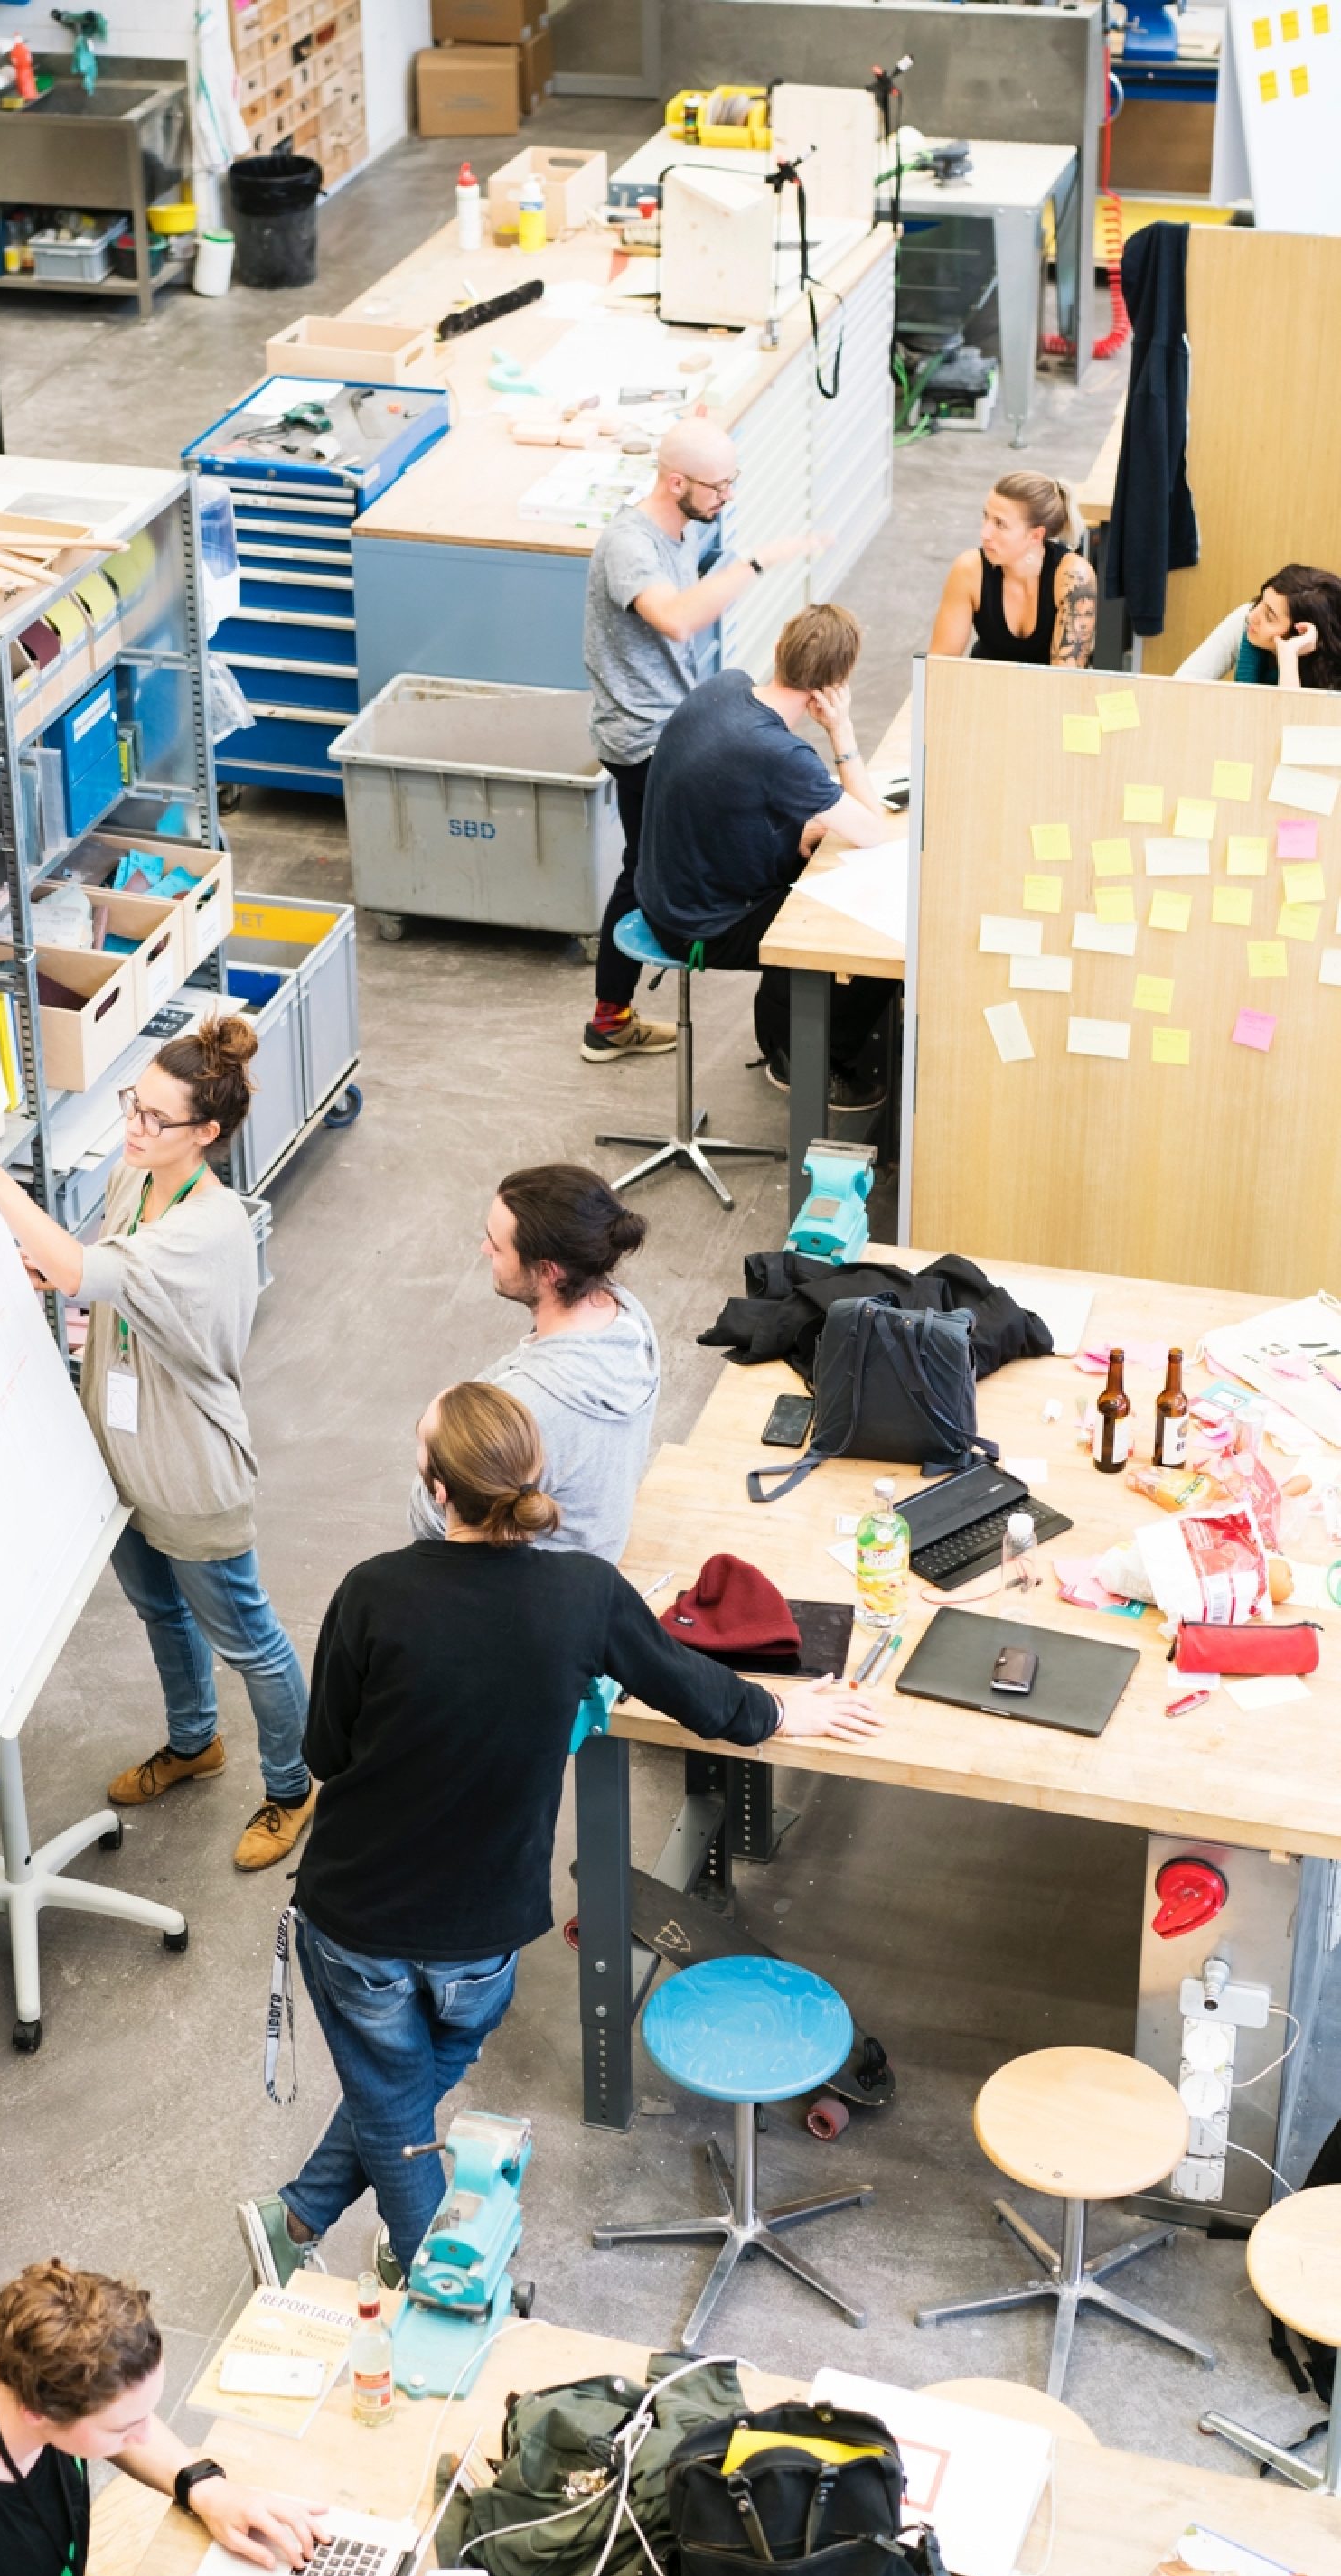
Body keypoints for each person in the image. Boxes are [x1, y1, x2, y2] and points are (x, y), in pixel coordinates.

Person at [238, 1383, 883, 2290]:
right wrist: (788, 1710)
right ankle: (335, 2234)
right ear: (534, 1476)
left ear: (434, 1487)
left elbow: (325, 1754)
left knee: (394, 2091)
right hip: (483, 1935)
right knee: (409, 2082)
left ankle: (407, 2269)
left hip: (356, 1917)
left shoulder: (372, 1593)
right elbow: (701, 1697)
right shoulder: (583, 1595)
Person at [0, 1018, 314, 1873]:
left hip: (187, 1471)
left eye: (154, 1119)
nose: (133, 1129)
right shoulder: (136, 1179)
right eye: (131, 1107)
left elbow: (83, 1271)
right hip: (119, 1459)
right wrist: (71, 1266)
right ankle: (193, 1744)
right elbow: (99, 1265)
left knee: (246, 1636)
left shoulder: (207, 1228)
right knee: (159, 1611)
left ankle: (292, 1787)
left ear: (207, 1135)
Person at [0, 2255, 325, 2576]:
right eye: (123, 2429)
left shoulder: (21, 2351)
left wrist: (204, 2487)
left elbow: (119, 2412)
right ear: (40, 2413)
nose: (145, 2438)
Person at [581, 417, 826, 1063]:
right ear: (676, 480)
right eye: (719, 486)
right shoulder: (628, 545)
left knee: (648, 866)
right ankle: (611, 1019)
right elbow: (680, 618)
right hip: (642, 739)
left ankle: (612, 1015)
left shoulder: (683, 525)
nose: (728, 498)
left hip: (673, 722)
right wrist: (760, 559)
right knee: (644, 871)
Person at [634, 602, 899, 1110]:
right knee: (870, 932)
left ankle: (779, 1032)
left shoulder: (725, 687)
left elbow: (728, 800)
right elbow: (871, 831)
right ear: (837, 684)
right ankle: (806, 1060)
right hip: (699, 928)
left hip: (667, 889)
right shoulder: (782, 755)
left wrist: (796, 830)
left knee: (818, 850)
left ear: (778, 648)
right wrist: (841, 733)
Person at [408, 1163, 657, 1561]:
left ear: (546, 1271)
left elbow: (434, 1522)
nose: (484, 1249)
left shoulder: (530, 1409)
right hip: (597, 1553)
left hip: (537, 1590)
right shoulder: (626, 1316)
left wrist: (435, 1434)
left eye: (497, 1244)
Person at [927, 472, 1097, 667]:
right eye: (986, 517)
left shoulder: (1074, 577)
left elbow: (1064, 679)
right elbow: (939, 666)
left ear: (1035, 536)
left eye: (1000, 524)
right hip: (984, 686)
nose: (985, 533)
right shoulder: (969, 570)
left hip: (1046, 692)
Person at [1176, 562, 1341, 688]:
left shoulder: (1331, 671)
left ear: (1300, 632)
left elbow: (1290, 727)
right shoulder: (1248, 619)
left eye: (1270, 617)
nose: (1252, 616)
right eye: (1261, 600)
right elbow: (1181, 687)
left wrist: (1288, 656)